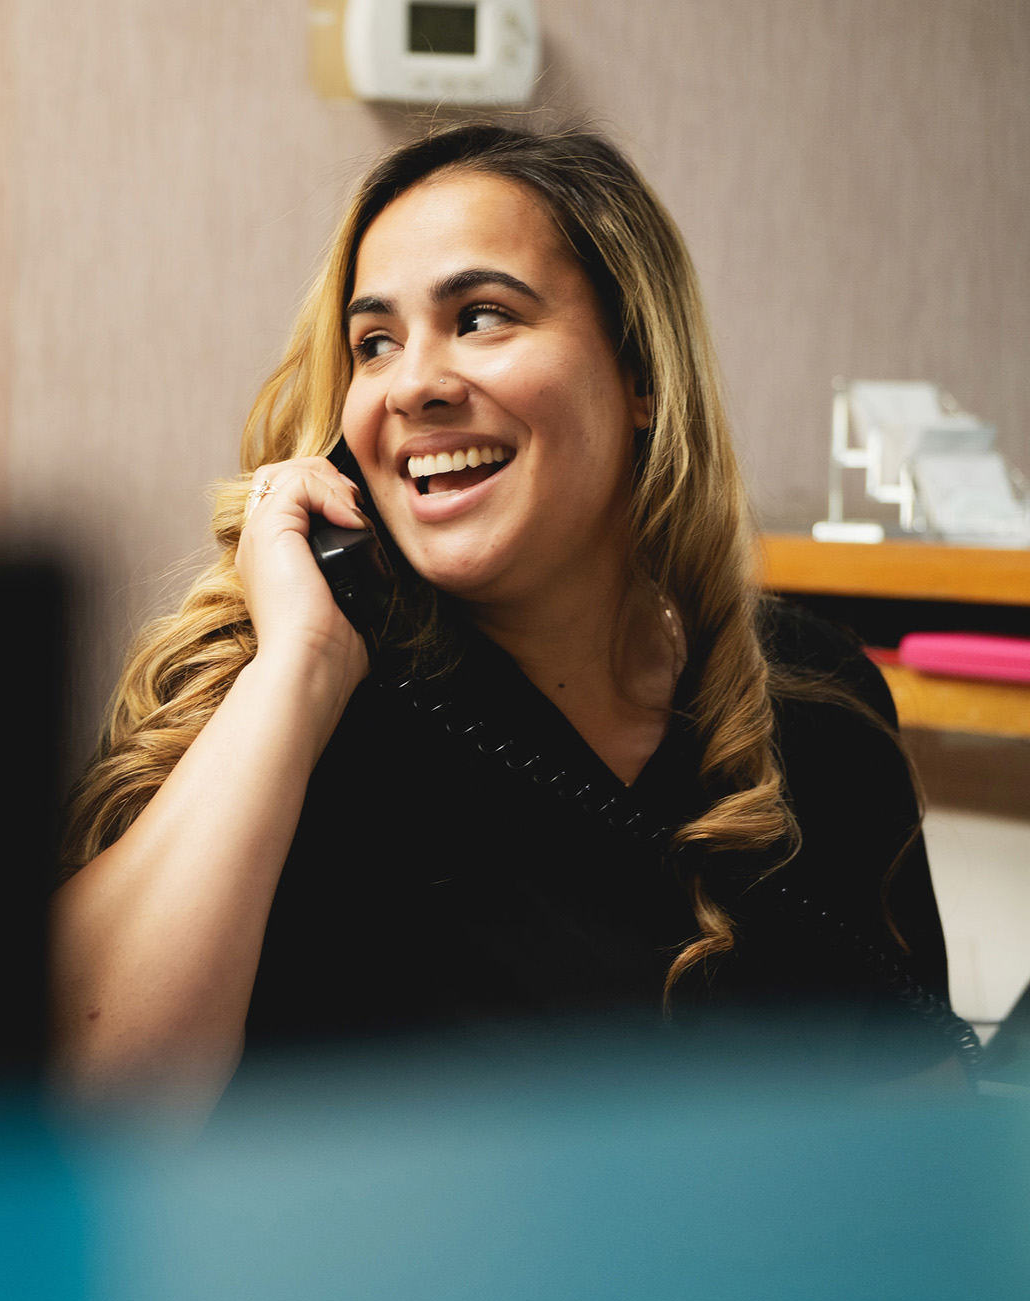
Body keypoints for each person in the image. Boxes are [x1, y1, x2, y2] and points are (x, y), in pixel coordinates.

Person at [49, 123, 972, 1110]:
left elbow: (914, 1120)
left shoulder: (816, 696)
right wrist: (297, 671)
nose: (414, 383)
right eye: (374, 343)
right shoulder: (253, 696)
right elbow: (80, 1106)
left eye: (481, 317)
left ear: (639, 377)